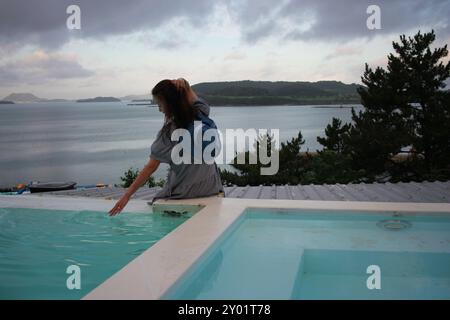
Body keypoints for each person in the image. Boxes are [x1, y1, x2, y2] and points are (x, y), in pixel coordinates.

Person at [109, 78, 224, 216]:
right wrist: (185, 85)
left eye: (160, 103)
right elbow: (193, 98)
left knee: (157, 204)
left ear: (170, 104)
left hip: (185, 193)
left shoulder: (169, 133)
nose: (159, 109)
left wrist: (127, 195)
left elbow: (151, 167)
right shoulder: (200, 113)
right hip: (212, 187)